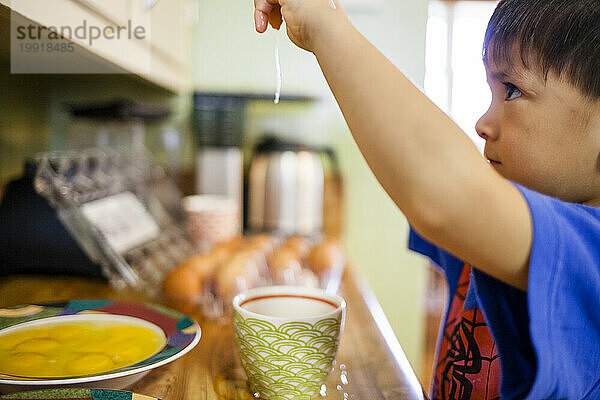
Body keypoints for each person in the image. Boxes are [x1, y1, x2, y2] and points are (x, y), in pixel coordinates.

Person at [253, 0, 600, 398]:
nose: (483, 123)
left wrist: (326, 27)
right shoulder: (500, 223)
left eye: (513, 90)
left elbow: (442, 193)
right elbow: (418, 176)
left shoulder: (591, 254)